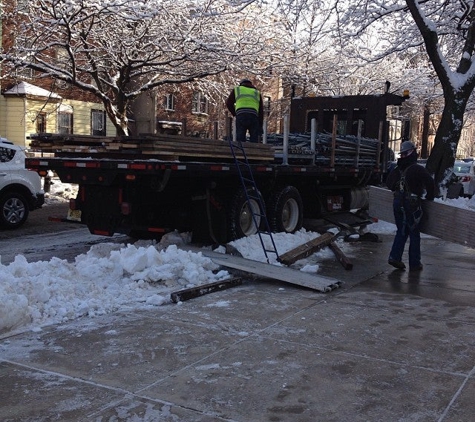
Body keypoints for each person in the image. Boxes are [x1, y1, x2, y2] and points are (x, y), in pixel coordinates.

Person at [386, 141, 435, 271]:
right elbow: (430, 184)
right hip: (412, 204)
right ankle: (414, 263)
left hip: (398, 203)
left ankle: (394, 257)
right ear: (412, 153)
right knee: (414, 232)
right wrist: (429, 197)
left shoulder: (397, 170)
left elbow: (389, 184)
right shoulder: (417, 169)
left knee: (401, 231)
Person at [226, 79, 264, 143]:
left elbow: (228, 103)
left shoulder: (237, 90)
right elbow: (261, 111)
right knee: (254, 139)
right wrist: (260, 125)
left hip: (241, 114)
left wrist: (235, 114)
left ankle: (241, 152)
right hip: (253, 115)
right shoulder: (256, 92)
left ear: (241, 84)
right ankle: (253, 152)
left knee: (240, 139)